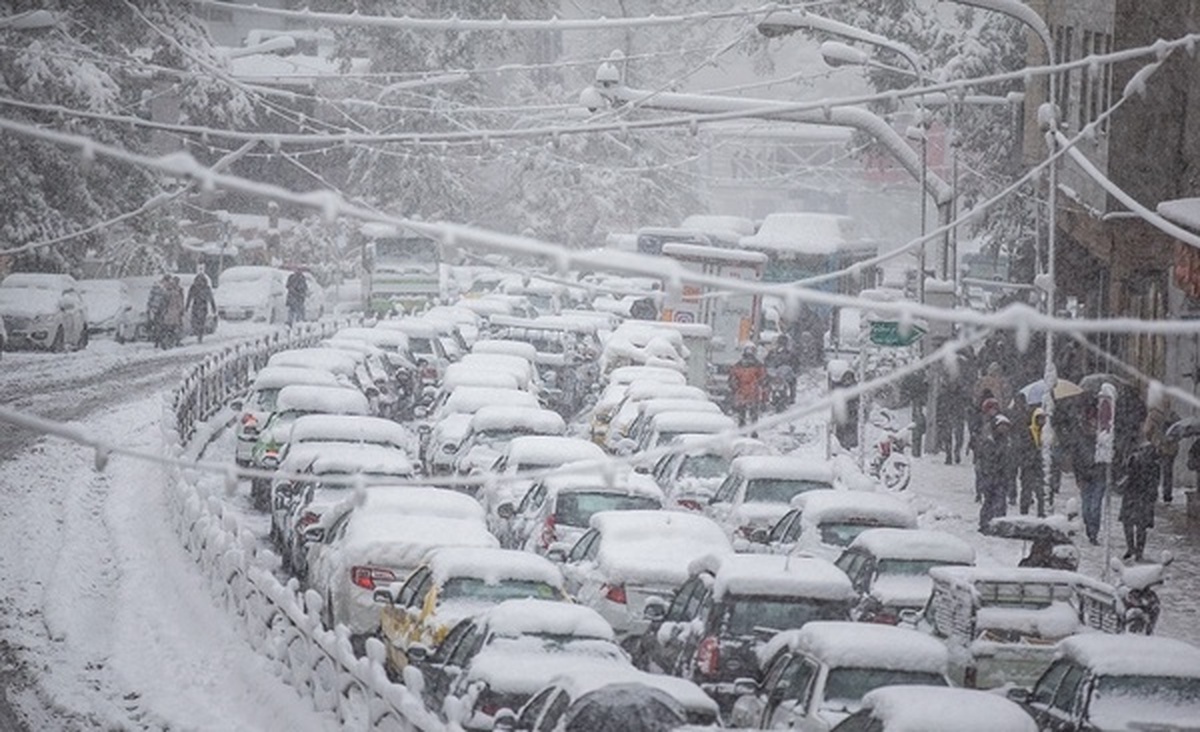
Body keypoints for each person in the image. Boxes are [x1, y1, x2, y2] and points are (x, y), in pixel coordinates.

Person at [1120, 440, 1160, 561]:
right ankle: (1138, 550)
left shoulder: (1133, 460)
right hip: (1143, 497)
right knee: (1140, 526)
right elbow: (1155, 483)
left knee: (1129, 524)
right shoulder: (1154, 465)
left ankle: (1132, 548)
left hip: (1133, 496)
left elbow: (1127, 475)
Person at [977, 413, 1012, 532]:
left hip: (1001, 477)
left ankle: (999, 525)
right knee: (989, 502)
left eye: (1006, 427)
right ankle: (985, 524)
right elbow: (986, 461)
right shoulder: (989, 442)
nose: (1004, 429)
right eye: (1001, 426)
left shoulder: (1006, 442)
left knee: (1001, 502)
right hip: (990, 477)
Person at [1017, 407, 1047, 517]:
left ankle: (1041, 513)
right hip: (1028, 466)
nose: (1042, 422)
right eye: (1040, 419)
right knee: (1026, 491)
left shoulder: (1047, 433)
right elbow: (1023, 448)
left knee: (1041, 492)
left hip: (1040, 466)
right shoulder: (1028, 432)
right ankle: (1024, 512)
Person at [728, 346, 766, 428]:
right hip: (750, 390)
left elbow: (733, 377)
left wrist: (734, 386)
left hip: (745, 390)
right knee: (751, 412)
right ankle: (750, 427)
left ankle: (744, 427)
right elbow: (762, 377)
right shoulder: (757, 364)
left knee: (744, 411)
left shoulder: (740, 365)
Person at [184, 268, 217, 344]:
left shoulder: (195, 287)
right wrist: (213, 307)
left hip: (199, 305)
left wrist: (187, 306)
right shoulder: (201, 288)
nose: (200, 282)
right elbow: (210, 298)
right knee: (199, 321)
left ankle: (199, 334)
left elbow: (190, 297)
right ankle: (199, 334)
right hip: (201, 305)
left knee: (199, 321)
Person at [763, 334, 797, 405]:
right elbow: (767, 360)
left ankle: (791, 396)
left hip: (783, 373)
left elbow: (794, 362)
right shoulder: (774, 352)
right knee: (765, 383)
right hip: (774, 372)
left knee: (792, 381)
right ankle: (764, 399)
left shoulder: (788, 353)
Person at [161, 275, 186, 349]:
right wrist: (181, 310)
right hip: (175, 313)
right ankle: (174, 341)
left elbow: (163, 304)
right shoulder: (177, 293)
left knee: (168, 328)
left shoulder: (166, 293)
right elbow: (180, 303)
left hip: (168, 313)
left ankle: (168, 341)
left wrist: (163, 311)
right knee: (175, 328)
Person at [146, 274, 170, 348]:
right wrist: (150, 309)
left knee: (161, 326)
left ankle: (160, 341)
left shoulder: (164, 289)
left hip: (161, 310)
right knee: (159, 326)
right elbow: (151, 300)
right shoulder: (158, 289)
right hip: (157, 310)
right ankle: (159, 342)